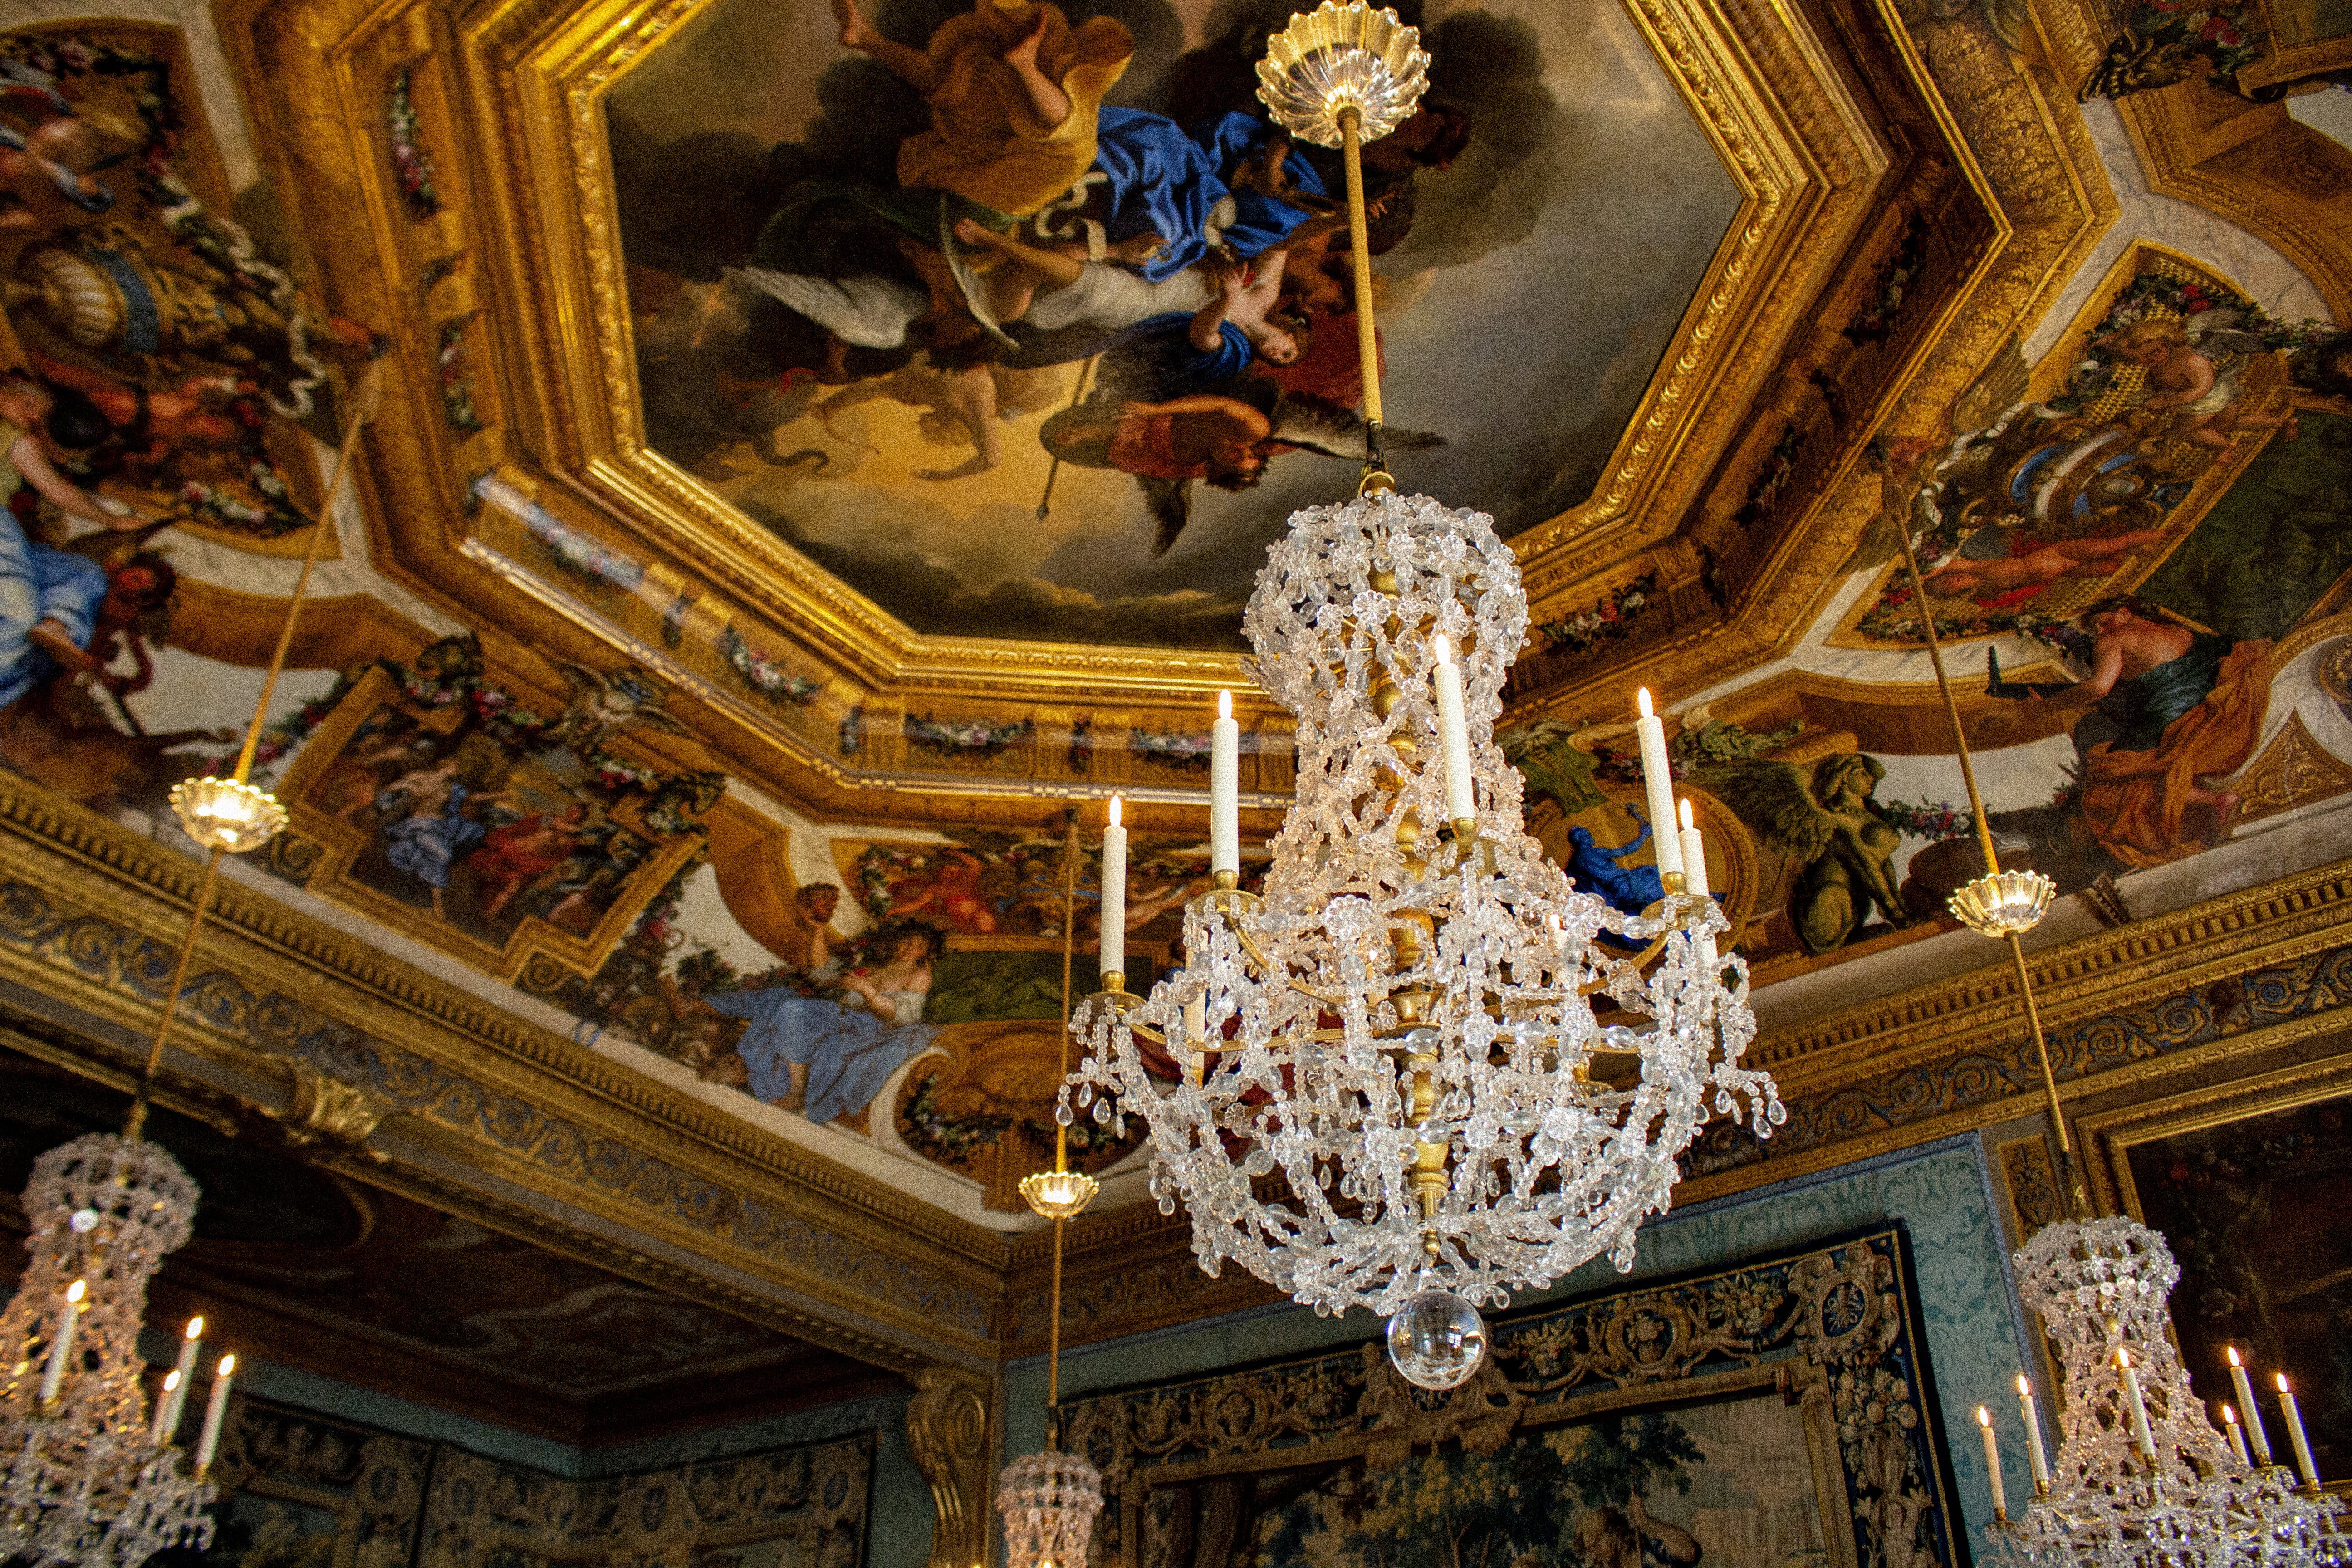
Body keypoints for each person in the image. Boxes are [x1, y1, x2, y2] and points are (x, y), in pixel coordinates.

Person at [2008, 596, 2271, 865]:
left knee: (2109, 775)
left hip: (2171, 717)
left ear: (2124, 612)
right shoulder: (2176, 629)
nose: (2101, 630)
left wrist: (2045, 707)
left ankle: (2215, 800)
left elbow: (2098, 688)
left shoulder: (2114, 639)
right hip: (2207, 706)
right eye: (2097, 629)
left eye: (2104, 622)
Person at [831, 0, 1132, 220]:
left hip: (1007, 178)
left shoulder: (1076, 129)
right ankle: (866, 38)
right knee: (962, 83)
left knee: (1071, 136)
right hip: (1007, 150)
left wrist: (1027, 66)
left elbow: (1065, 125)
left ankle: (867, 40)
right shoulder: (1060, 67)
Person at [0, 373, 150, 710]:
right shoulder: (12, 436)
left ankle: (57, 624)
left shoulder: (19, 436)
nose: (30, 417)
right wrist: (113, 521)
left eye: (36, 416)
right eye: (28, 405)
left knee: (85, 573)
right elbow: (58, 490)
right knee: (18, 613)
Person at [702, 924, 946, 1122]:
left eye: (917, 946)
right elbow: (824, 975)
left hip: (867, 1028)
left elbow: (902, 1015)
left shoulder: (919, 975)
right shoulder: (880, 965)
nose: (909, 948)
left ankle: (797, 1088)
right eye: (906, 942)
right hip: (841, 1014)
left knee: (792, 1011)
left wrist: (868, 992)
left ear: (926, 953)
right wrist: (819, 933)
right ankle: (736, 1055)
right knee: (780, 998)